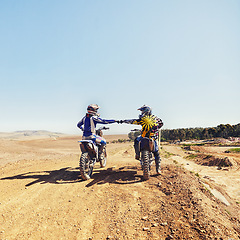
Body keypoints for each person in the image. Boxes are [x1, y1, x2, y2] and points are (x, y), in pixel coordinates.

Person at [122, 105, 163, 174]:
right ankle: (158, 169)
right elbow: (161, 124)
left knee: (155, 152)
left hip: (148, 137)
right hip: (150, 137)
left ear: (147, 111)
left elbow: (133, 121)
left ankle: (137, 154)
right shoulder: (155, 118)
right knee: (156, 153)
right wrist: (156, 129)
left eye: (143, 111)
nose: (142, 112)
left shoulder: (146, 118)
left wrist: (123, 121)